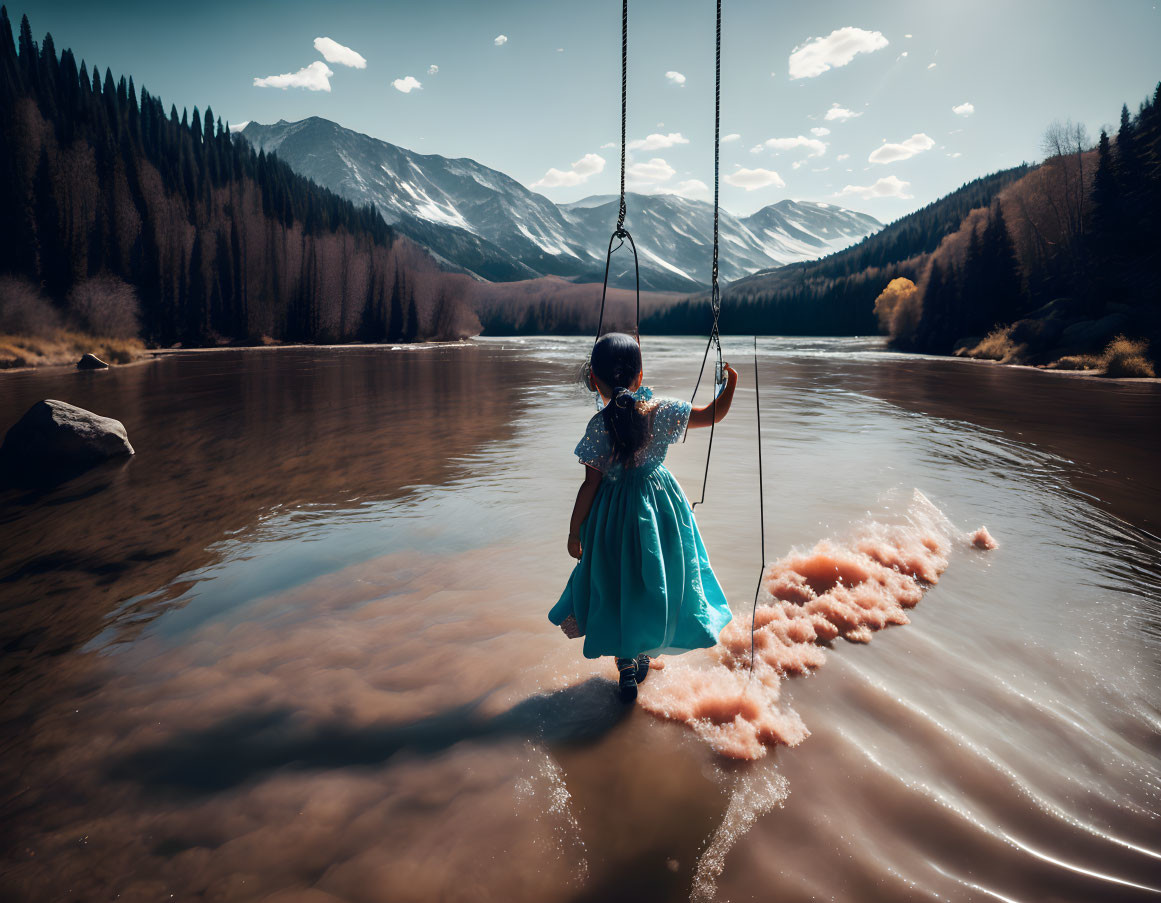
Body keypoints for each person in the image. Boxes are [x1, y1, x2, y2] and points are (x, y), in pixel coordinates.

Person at [549, 332, 739, 702]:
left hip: (612, 516)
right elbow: (714, 414)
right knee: (659, 576)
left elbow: (589, 486)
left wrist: (575, 532)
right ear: (640, 375)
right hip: (658, 509)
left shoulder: (598, 426)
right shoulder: (662, 411)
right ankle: (643, 653)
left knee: (618, 582)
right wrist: (731, 383)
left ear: (593, 379)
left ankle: (625, 667)